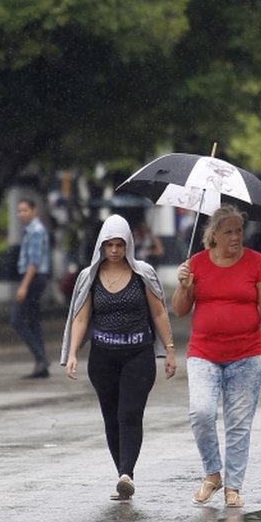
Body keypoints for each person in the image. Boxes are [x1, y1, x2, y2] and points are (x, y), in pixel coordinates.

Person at [171, 204, 261, 509]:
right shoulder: (196, 264)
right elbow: (179, 310)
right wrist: (184, 284)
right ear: (214, 235)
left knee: (238, 424)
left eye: (239, 231)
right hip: (204, 354)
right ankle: (212, 473)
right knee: (201, 413)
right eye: (229, 231)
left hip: (246, 355)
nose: (236, 237)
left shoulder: (255, 262)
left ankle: (233, 487)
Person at [61, 214, 177, 501]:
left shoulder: (143, 275)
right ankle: (122, 477)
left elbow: (160, 312)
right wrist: (73, 352)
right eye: (109, 245)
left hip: (138, 355)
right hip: (103, 358)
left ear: (129, 245)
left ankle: (127, 473)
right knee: (111, 418)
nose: (114, 250)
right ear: (101, 245)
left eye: (120, 245)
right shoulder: (90, 277)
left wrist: (170, 350)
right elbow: (80, 318)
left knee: (129, 413)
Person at [12, 198, 52, 379]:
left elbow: (33, 263)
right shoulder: (31, 230)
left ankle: (41, 357)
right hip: (35, 277)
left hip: (33, 278)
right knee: (33, 321)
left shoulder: (35, 231)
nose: (22, 214)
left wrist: (24, 286)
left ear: (34, 210)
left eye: (25, 210)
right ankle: (41, 365)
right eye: (19, 211)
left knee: (18, 320)